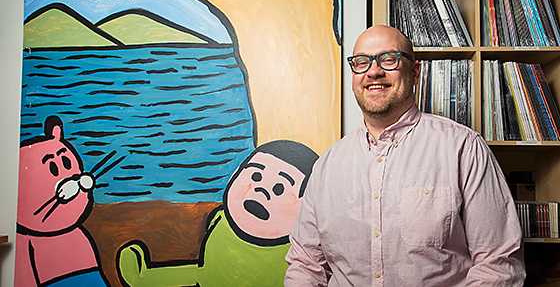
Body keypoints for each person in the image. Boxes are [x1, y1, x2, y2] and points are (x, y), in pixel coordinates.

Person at [285, 25, 526, 286]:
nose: (373, 71)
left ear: (415, 72)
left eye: (389, 59)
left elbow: (498, 264)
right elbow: (306, 264)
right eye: (361, 62)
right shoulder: (327, 166)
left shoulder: (463, 149)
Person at [118, 140, 318, 287]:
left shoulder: (295, 254)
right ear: (235, 176)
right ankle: (142, 277)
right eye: (256, 175)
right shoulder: (220, 219)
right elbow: (201, 273)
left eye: (279, 188)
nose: (261, 190)